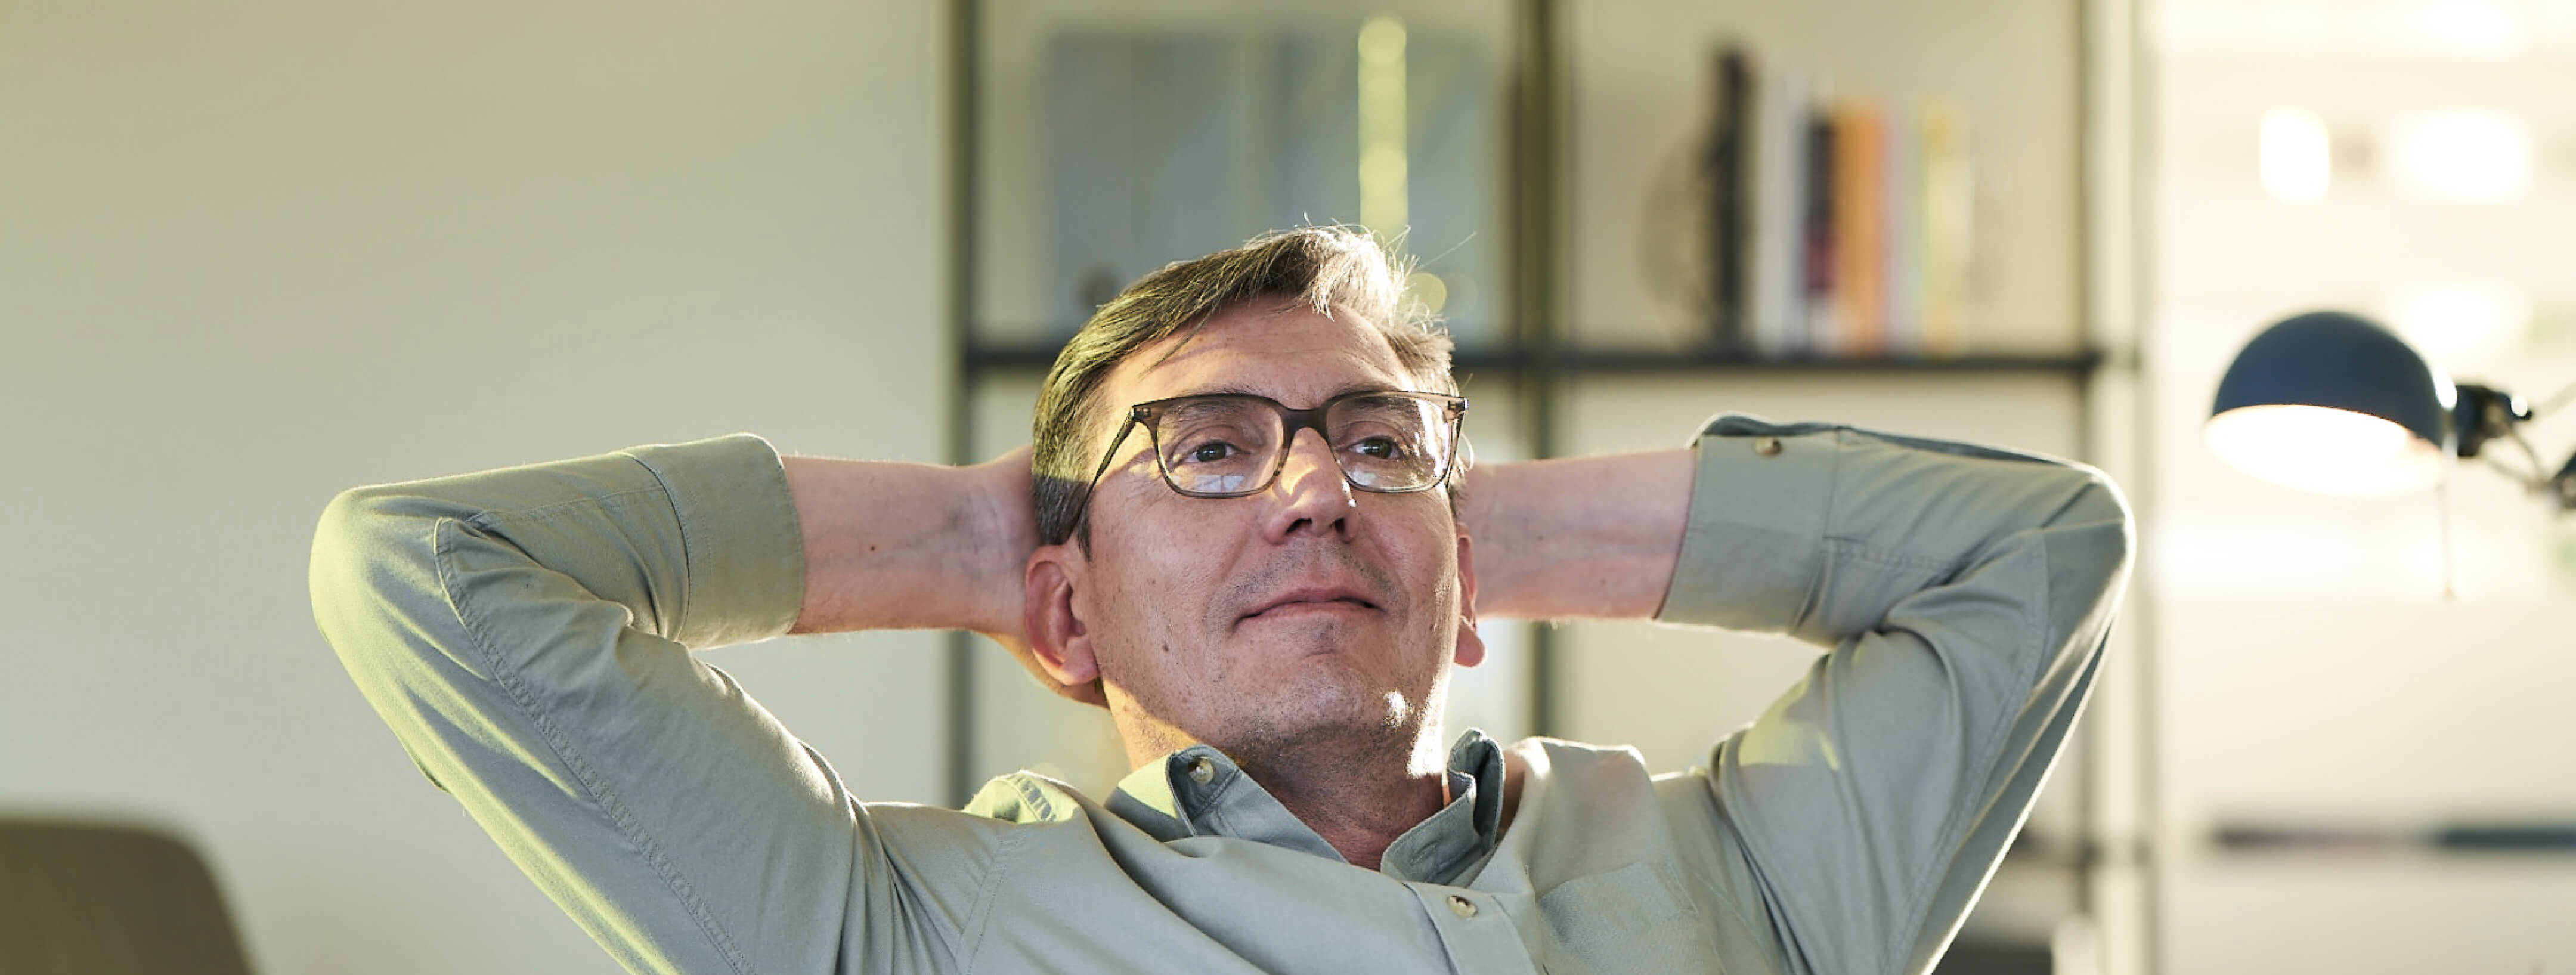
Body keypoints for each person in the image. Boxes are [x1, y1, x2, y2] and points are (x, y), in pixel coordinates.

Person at [310, 226, 2132, 975]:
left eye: (1369, 442)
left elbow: (2039, 551)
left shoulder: (1748, 878)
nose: (1315, 482)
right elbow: (427, 571)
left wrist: (1461, 518)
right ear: (1063, 607)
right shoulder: (896, 928)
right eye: (1204, 449)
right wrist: (974, 539)